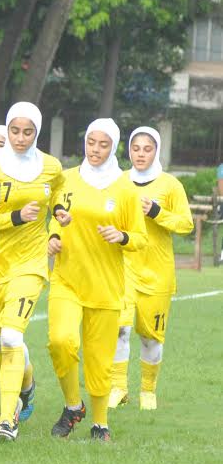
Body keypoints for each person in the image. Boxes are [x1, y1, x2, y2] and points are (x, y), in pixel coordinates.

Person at [0, 102, 68, 441]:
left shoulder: (51, 167)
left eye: (28, 132)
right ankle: (26, 384)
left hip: (30, 266)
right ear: (6, 130)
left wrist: (58, 220)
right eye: (15, 131)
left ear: (37, 132)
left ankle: (6, 419)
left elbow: (60, 199)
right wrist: (14, 217)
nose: (21, 138)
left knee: (12, 337)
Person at [47, 118, 147, 441]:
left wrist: (121, 236)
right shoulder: (68, 179)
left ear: (114, 147)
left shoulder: (126, 188)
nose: (96, 150)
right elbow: (57, 218)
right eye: (91, 142)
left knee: (99, 358)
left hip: (105, 284)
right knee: (61, 341)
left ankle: (100, 422)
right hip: (67, 278)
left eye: (104, 145)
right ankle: (73, 404)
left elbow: (140, 238)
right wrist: (53, 236)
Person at [110, 127, 192, 410]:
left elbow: (186, 224)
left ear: (156, 151)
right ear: (128, 151)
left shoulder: (170, 185)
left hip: (157, 272)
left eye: (147, 149)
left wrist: (156, 211)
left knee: (150, 336)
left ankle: (148, 390)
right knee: (119, 328)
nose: (141, 154)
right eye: (136, 148)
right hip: (123, 267)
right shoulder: (119, 182)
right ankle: (118, 388)